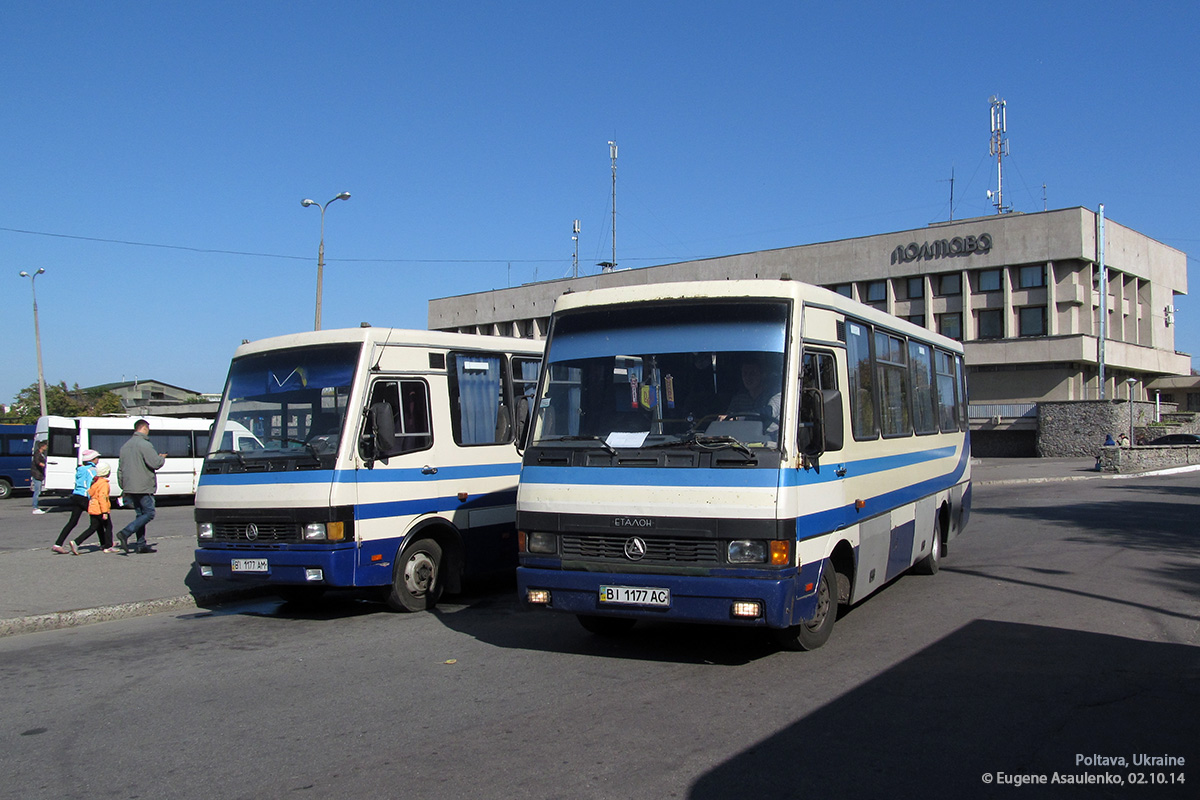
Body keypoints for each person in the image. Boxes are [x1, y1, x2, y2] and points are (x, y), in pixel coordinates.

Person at [115, 419, 166, 555]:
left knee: (140, 515)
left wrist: (123, 486)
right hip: (143, 486)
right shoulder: (145, 445)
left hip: (130, 486)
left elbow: (120, 469)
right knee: (149, 513)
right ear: (144, 428)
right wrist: (161, 458)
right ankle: (125, 533)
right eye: (148, 429)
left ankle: (141, 545)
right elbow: (155, 463)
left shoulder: (125, 446)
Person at [52, 449, 100, 553]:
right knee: (98, 520)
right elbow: (90, 485)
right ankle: (103, 543)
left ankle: (58, 543)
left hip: (76, 496)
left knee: (72, 522)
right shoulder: (92, 470)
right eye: (97, 458)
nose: (98, 460)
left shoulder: (80, 469)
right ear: (92, 459)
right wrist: (92, 498)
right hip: (85, 497)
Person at [723, 355, 782, 437]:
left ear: (763, 375)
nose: (748, 377)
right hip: (740, 442)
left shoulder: (776, 396)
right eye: (745, 373)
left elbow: (768, 412)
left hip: (769, 444)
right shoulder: (738, 400)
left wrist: (738, 418)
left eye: (752, 373)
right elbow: (727, 421)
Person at [71, 462, 117, 554]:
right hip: (100, 509)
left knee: (93, 527)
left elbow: (91, 492)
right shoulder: (104, 484)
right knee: (108, 526)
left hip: (93, 507)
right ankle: (108, 546)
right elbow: (102, 498)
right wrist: (105, 512)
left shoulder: (95, 482)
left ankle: (76, 542)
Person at [30, 440, 48, 515]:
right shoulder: (37, 454)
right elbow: (37, 462)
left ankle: (36, 507)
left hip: (38, 474)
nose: (47, 447)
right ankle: (35, 508)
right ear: (42, 446)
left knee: (38, 491)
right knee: (37, 492)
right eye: (46, 445)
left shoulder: (41, 453)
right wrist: (45, 465)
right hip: (37, 475)